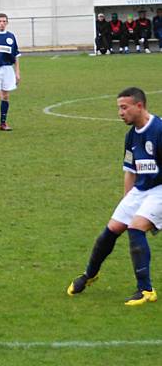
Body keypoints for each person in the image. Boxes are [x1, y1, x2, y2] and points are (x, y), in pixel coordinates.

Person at [67, 87, 159, 306]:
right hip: (141, 190)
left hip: (160, 189)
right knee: (112, 229)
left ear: (139, 106)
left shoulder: (159, 130)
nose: (120, 112)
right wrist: (127, 202)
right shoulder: (131, 137)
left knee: (136, 228)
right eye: (119, 108)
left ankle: (146, 290)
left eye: (124, 107)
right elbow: (130, 170)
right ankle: (89, 274)